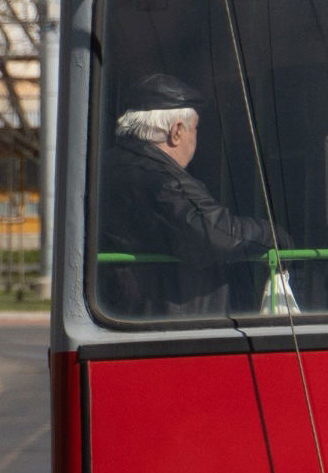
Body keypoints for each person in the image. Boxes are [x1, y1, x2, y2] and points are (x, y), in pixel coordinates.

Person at [98, 72, 271, 316]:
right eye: (195, 129)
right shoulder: (161, 179)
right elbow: (215, 234)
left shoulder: (107, 166)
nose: (195, 138)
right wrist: (268, 234)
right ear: (177, 131)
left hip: (131, 311)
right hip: (172, 319)